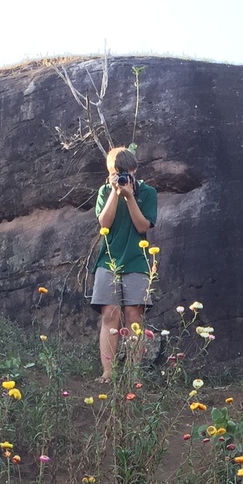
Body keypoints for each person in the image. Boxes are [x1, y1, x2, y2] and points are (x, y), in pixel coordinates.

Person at [90, 146, 157, 382]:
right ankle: (108, 371)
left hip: (137, 261)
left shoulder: (147, 193)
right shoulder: (104, 191)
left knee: (134, 316)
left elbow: (142, 226)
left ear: (134, 170)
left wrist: (129, 197)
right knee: (109, 314)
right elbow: (103, 223)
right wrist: (114, 193)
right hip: (108, 260)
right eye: (115, 173)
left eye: (124, 172)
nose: (120, 177)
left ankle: (132, 373)